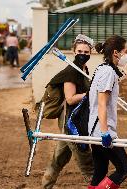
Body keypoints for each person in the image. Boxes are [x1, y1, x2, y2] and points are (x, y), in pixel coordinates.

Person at [42, 34, 94, 189]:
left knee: (59, 157)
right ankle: (95, 184)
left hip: (76, 118)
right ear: (73, 52)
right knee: (85, 159)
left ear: (91, 53)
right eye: (80, 51)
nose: (83, 55)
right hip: (71, 122)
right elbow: (70, 98)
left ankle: (46, 185)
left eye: (86, 52)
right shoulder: (71, 72)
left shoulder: (83, 70)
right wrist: (91, 94)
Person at [88, 35, 127, 189]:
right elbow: (101, 103)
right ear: (115, 52)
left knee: (100, 171)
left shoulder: (103, 68)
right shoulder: (108, 73)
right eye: (125, 51)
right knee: (124, 169)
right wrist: (105, 133)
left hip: (95, 130)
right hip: (102, 131)